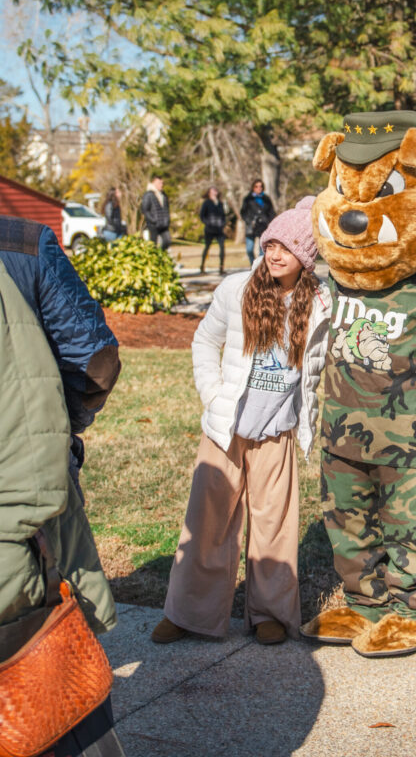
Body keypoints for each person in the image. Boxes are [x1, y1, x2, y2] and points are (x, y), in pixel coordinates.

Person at [151, 197, 330, 647]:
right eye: (270, 243)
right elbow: (203, 343)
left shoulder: (321, 305)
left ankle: (269, 612)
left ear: (305, 258)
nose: (273, 254)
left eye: (286, 248)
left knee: (274, 524)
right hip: (226, 430)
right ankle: (188, 612)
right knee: (207, 522)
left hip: (277, 432)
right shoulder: (237, 289)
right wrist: (212, 397)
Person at [0, 218, 125, 756]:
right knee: (53, 695)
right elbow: (93, 360)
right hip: (21, 525)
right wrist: (56, 435)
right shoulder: (20, 242)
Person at [240, 178, 276, 265]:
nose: (259, 188)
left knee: (262, 250)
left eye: (260, 186)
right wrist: (248, 220)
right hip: (251, 227)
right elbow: (243, 212)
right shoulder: (248, 199)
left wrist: (269, 222)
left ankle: (258, 267)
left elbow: (272, 212)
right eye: (256, 186)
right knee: (249, 249)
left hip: (263, 226)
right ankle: (252, 264)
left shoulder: (266, 199)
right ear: (253, 187)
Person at [199, 185, 226, 274]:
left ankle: (221, 267)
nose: (215, 192)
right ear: (209, 193)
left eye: (216, 190)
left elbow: (223, 216)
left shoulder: (220, 203)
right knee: (207, 247)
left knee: (222, 247)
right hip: (209, 229)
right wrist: (208, 223)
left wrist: (223, 224)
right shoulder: (207, 202)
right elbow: (202, 215)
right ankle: (202, 266)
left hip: (219, 229)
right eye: (213, 191)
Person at [141, 174, 171, 250]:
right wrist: (153, 220)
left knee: (167, 241)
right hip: (153, 225)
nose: (162, 185)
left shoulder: (163, 195)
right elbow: (145, 209)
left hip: (163, 224)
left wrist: (167, 220)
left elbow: (166, 209)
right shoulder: (148, 195)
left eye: (162, 183)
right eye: (159, 183)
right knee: (153, 244)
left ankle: (162, 255)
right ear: (153, 182)